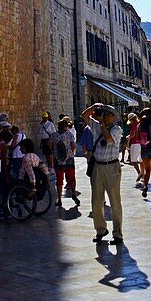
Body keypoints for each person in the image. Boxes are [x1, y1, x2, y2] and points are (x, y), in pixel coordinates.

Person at [81, 102, 124, 245]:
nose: (104, 117)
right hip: (98, 167)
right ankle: (100, 229)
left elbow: (108, 138)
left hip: (112, 167)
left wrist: (101, 124)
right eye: (103, 114)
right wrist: (94, 107)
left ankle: (117, 233)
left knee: (114, 201)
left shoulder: (116, 130)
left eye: (107, 115)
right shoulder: (97, 126)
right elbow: (84, 116)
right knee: (96, 200)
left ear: (113, 117)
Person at [53, 118, 80, 206]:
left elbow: (50, 145)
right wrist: (72, 152)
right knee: (72, 178)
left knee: (59, 180)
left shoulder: (54, 135)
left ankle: (59, 199)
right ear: (65, 127)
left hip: (58, 161)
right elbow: (73, 145)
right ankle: (73, 194)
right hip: (69, 160)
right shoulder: (69, 134)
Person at [128, 112, 143, 181]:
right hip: (141, 144)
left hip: (135, 143)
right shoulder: (140, 123)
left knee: (133, 160)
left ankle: (139, 172)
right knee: (141, 160)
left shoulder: (133, 125)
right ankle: (143, 174)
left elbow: (133, 134)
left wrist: (128, 137)